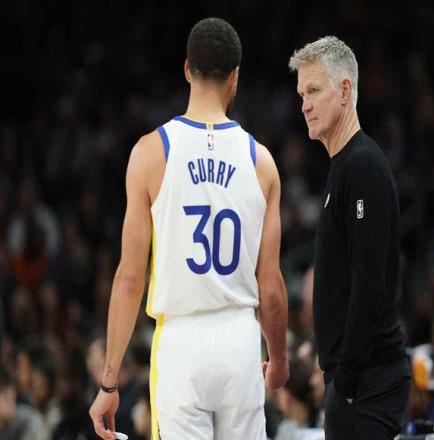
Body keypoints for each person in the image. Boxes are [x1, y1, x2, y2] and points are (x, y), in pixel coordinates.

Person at [89, 17, 289, 440]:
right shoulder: (262, 162)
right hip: (240, 339)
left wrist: (109, 381)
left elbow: (129, 279)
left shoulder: (150, 153)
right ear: (235, 77)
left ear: (186, 70)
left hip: (181, 342)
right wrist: (280, 359)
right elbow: (270, 284)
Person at [289, 36, 411, 439]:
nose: (304, 104)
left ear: (344, 91)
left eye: (313, 91)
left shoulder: (362, 166)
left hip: (367, 382)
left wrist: (346, 380)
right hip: (357, 379)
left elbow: (369, 281)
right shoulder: (344, 166)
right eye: (301, 94)